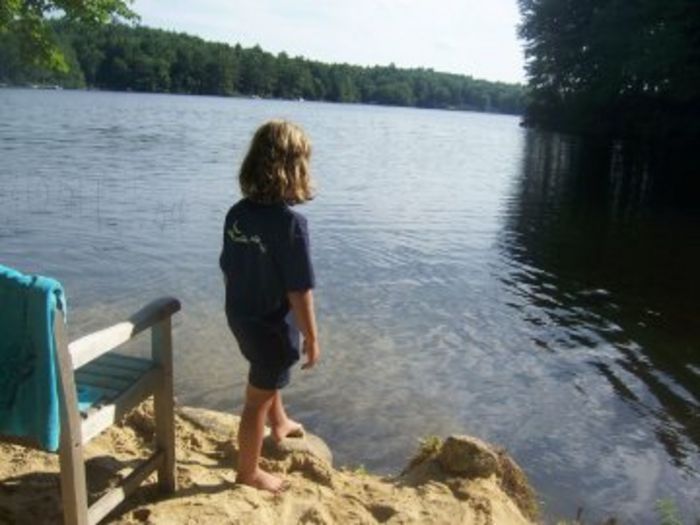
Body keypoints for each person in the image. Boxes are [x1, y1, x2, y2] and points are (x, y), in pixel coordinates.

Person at [219, 120, 320, 493]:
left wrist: (238, 307)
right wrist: (311, 335)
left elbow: (228, 269)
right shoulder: (291, 225)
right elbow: (300, 290)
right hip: (272, 327)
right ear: (294, 169)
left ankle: (280, 423)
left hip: (241, 316)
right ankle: (249, 472)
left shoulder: (237, 213)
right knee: (254, 401)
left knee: (266, 373)